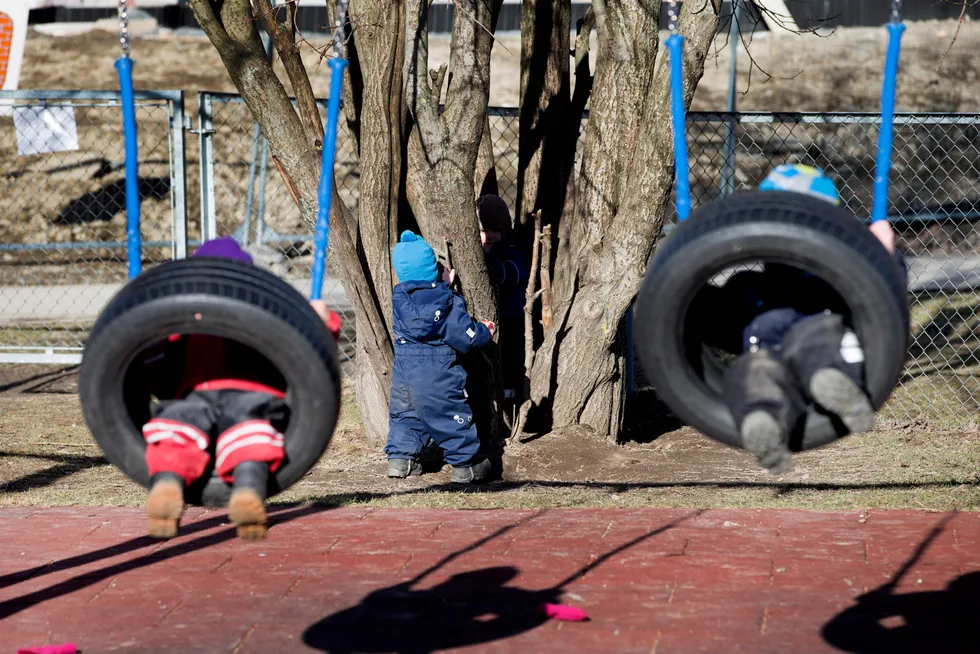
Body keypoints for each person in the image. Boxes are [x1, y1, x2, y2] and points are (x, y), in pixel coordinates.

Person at [689, 164, 907, 474]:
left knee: (774, 364)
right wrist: (682, 281)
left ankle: (827, 388)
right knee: (762, 370)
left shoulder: (835, 275)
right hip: (785, 344)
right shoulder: (752, 287)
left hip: (792, 340)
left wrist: (884, 255)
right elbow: (710, 314)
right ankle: (764, 425)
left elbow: (884, 296)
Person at [140, 237, 341, 540]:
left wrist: (139, 328)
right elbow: (306, 344)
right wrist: (324, 320)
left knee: (177, 433)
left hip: (195, 395)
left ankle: (168, 484)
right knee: (250, 439)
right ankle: (248, 491)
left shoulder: (183, 321)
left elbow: (153, 358)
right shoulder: (266, 316)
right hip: (250, 396)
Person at [386, 230, 496, 483]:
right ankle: (466, 466)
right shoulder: (447, 301)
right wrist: (485, 331)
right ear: (433, 270)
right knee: (450, 414)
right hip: (437, 372)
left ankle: (400, 461)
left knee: (406, 416)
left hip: (404, 374)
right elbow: (465, 338)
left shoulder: (399, 298)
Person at [477, 195, 529, 412]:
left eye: (495, 230)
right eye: (484, 230)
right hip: (487, 323)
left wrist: (489, 258)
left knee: (509, 366)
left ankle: (510, 406)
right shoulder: (479, 252)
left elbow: (509, 275)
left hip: (510, 319)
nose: (489, 236)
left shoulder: (513, 251)